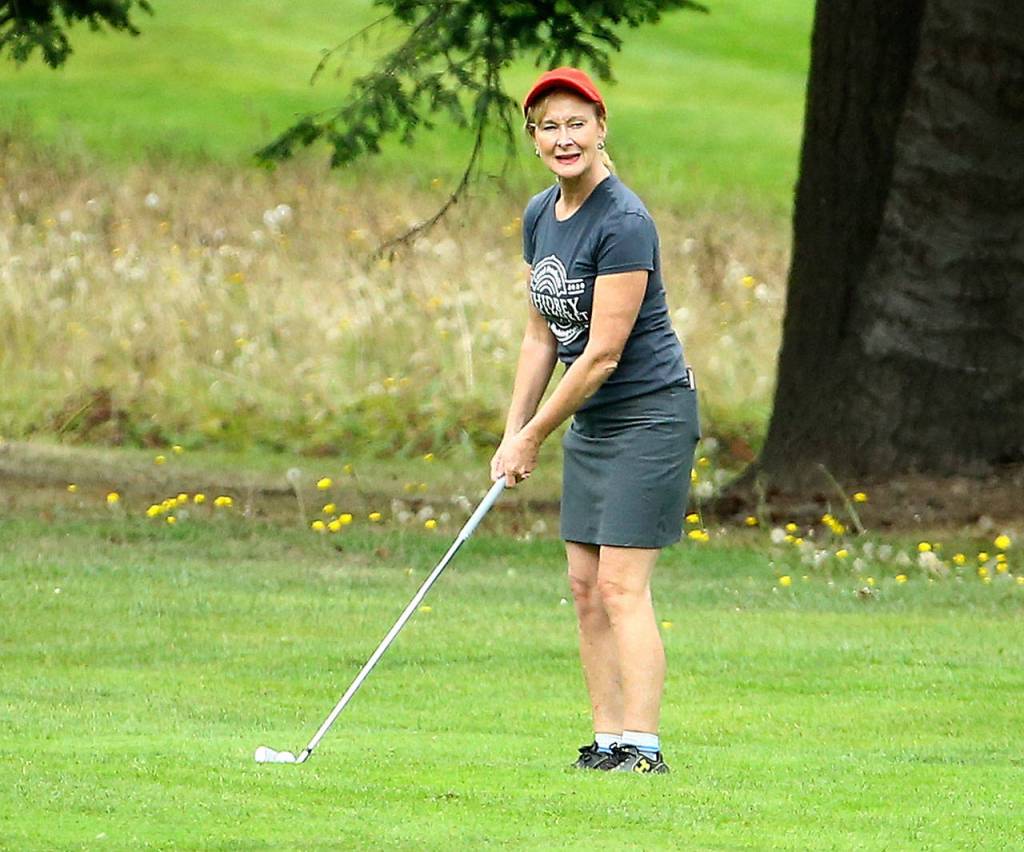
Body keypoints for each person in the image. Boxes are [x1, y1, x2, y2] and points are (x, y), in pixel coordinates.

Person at [490, 67, 701, 774]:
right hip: (594, 422)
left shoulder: (625, 222)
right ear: (534, 138)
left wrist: (535, 435)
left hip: (651, 415)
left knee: (620, 586)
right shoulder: (539, 215)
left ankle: (643, 746)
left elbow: (603, 354)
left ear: (601, 127)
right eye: (549, 126)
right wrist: (512, 431)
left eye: (576, 123)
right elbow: (540, 336)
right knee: (585, 588)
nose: (564, 138)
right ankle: (607, 742)